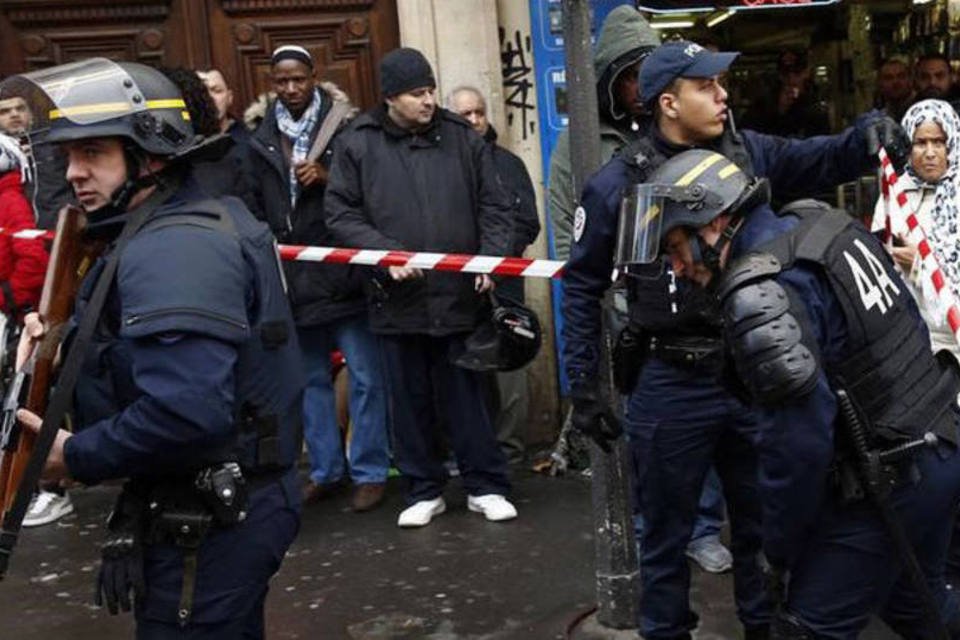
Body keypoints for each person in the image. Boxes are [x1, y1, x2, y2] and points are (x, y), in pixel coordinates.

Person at [563, 39, 904, 639]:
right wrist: (583, 386)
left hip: (753, 376)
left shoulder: (744, 153)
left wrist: (866, 136)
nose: (723, 96)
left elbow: (818, 159)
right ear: (668, 103)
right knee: (665, 538)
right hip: (670, 381)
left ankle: (763, 628)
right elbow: (582, 286)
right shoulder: (622, 184)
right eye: (706, 87)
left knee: (761, 533)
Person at [4, 58, 304, 637]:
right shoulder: (168, 224)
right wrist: (61, 348)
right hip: (205, 507)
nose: (74, 173)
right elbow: (145, 358)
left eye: (93, 154)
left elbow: (185, 410)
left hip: (210, 521)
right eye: (68, 156)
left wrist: (76, 455)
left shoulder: (176, 247)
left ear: (153, 156)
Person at [642, 147, 960, 639]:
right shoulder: (825, 226)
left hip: (890, 479)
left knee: (806, 628)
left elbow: (795, 447)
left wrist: (781, 549)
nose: (678, 268)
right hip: (938, 444)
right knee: (918, 605)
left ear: (714, 224)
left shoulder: (760, 294)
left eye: (676, 248)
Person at [325, 47, 517, 527]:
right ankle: (423, 489)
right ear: (391, 97)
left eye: (431, 90)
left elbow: (496, 205)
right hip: (398, 300)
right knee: (408, 401)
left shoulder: (461, 137)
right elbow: (340, 213)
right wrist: (385, 253)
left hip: (459, 298)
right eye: (417, 93)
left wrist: (489, 258)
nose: (429, 100)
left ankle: (485, 485)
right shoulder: (358, 142)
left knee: (467, 399)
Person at [243, 45, 389, 512]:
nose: (290, 90)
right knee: (308, 380)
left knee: (366, 376)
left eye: (298, 80)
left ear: (314, 77)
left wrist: (329, 179)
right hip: (292, 279)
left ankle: (369, 470)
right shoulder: (258, 136)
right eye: (281, 81)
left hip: (343, 273)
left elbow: (373, 191)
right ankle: (326, 471)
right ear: (272, 83)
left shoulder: (347, 128)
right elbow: (252, 204)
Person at [446, 85, 540, 465]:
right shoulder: (443, 165)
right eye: (465, 115)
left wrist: (494, 263)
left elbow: (526, 223)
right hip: (456, 285)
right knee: (463, 370)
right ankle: (468, 449)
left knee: (509, 369)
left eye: (479, 112)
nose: (474, 121)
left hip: (504, 284)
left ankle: (509, 449)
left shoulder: (508, 164)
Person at [548, 4, 659, 261]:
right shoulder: (582, 137)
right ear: (612, 78)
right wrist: (578, 279)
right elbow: (564, 215)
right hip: (609, 278)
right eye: (631, 76)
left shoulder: (669, 126)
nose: (641, 86)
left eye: (648, 73)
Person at [0, 133, 56, 527]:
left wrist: (18, 303)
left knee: (26, 398)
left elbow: (31, 258)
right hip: (9, 312)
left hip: (19, 316)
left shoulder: (9, 200)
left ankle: (47, 488)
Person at [0, 95, 74, 229]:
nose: (15, 114)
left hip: (63, 229)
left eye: (20, 109)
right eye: (5, 111)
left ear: (31, 115)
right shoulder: (4, 160)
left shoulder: (55, 145)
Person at [740, 49, 830, 138]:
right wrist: (779, 111)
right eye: (785, 74)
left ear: (806, 72)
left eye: (797, 73)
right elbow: (748, 132)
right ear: (779, 75)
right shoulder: (765, 103)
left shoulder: (816, 104)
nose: (791, 79)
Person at [198, 68, 250, 144]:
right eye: (202, 91)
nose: (210, 97)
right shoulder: (182, 143)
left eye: (217, 91)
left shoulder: (251, 141)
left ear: (229, 97)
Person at [876, 57, 916, 124]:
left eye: (901, 76)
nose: (896, 82)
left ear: (910, 80)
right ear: (880, 83)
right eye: (889, 78)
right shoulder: (879, 117)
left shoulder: (922, 108)